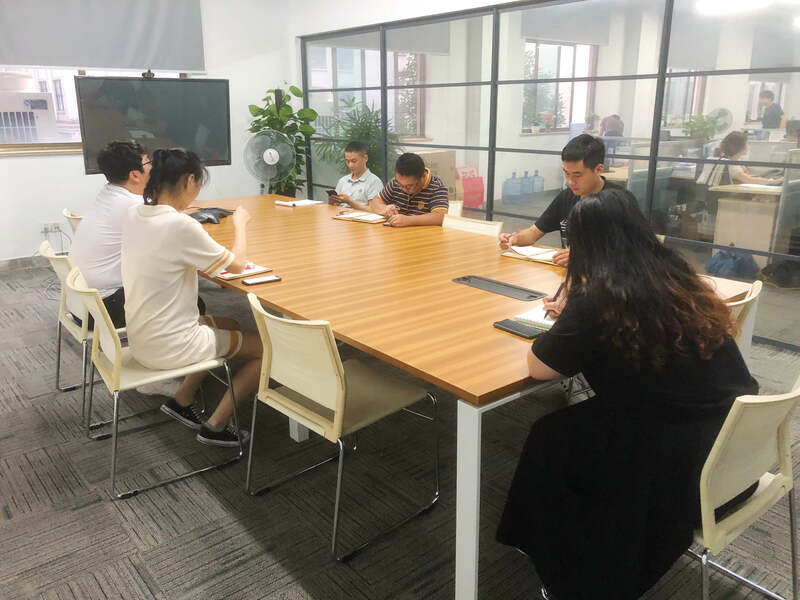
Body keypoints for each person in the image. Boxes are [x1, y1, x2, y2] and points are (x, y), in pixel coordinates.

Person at [496, 187, 758, 600]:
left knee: (551, 435)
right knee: (572, 426)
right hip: (737, 448)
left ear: (586, 245)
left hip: (684, 470)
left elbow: (540, 368)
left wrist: (569, 318)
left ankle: (569, 562)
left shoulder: (597, 296)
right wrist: (575, 315)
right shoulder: (676, 274)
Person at [121, 148, 262, 447]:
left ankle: (182, 399)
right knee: (267, 348)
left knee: (229, 323)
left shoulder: (135, 214)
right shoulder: (180, 226)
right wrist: (240, 224)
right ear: (189, 180)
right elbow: (237, 265)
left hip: (140, 336)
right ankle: (216, 426)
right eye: (198, 182)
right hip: (170, 345)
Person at [498, 134, 622, 267]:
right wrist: (515, 239)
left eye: (577, 175)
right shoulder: (566, 196)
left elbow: (626, 254)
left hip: (604, 277)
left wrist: (583, 257)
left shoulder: (618, 201)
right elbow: (534, 232)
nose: (570, 181)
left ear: (598, 170)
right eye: (567, 173)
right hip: (569, 272)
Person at [69, 141, 151, 328]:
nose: (153, 167)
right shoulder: (133, 206)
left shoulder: (109, 193)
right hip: (101, 309)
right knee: (191, 301)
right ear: (134, 175)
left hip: (79, 304)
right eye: (148, 162)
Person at [370, 153, 449, 227]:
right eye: (400, 185)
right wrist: (384, 209)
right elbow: (375, 201)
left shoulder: (436, 187)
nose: (403, 189)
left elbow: (440, 216)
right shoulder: (396, 182)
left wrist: (408, 220)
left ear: (422, 177)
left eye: (409, 186)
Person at [699, 131, 783, 186]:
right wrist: (774, 181)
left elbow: (746, 174)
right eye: (746, 144)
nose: (747, 146)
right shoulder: (731, 165)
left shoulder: (729, 161)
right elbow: (749, 180)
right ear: (741, 148)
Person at [328, 141, 383, 211]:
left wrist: (350, 202)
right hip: (340, 216)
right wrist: (331, 201)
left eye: (354, 161)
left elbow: (375, 210)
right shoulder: (343, 180)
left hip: (361, 217)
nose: (350, 165)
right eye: (347, 161)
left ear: (365, 158)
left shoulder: (374, 182)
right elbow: (334, 207)